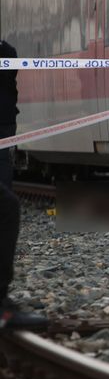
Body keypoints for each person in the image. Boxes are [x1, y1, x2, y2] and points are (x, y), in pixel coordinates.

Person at [0, 40, 46, 331]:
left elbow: (9, 60)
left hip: (3, 126)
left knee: (6, 205)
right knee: (5, 209)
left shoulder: (5, 51)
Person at [0, 39, 18, 189]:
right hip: (7, 116)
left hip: (6, 115)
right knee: (4, 160)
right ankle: (4, 198)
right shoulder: (9, 50)